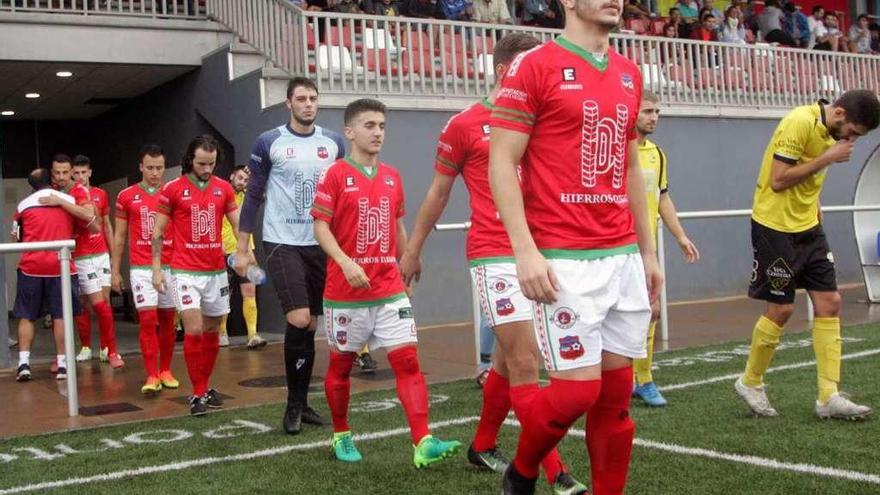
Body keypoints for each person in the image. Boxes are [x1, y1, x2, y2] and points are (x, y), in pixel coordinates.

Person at [400, 33, 590, 494]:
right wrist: (413, 249)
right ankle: (554, 473)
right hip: (495, 256)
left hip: (543, 252)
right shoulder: (465, 124)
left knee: (509, 362)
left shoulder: (545, 118)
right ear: (507, 69)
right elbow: (438, 192)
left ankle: (483, 444)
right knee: (528, 363)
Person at [489, 0, 661, 490]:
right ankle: (521, 472)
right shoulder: (534, 65)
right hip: (563, 258)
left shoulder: (629, 73)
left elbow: (629, 167)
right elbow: (502, 161)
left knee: (616, 399)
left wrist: (647, 254)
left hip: (623, 255)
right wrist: (524, 250)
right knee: (574, 393)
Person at [312, 98, 462, 466]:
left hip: (388, 288)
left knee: (408, 361)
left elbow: (396, 223)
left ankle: (422, 440)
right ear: (349, 131)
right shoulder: (334, 174)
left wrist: (410, 256)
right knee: (340, 367)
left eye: (382, 125)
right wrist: (344, 262)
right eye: (369, 125)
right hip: (346, 294)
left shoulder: (392, 176)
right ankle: (341, 434)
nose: (378, 132)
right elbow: (320, 226)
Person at [735, 90, 880, 421]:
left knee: (830, 303)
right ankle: (750, 381)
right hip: (774, 227)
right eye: (854, 132)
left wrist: (815, 208)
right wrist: (828, 157)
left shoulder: (829, 132)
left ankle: (828, 396)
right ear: (839, 113)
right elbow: (778, 180)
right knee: (782, 309)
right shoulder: (799, 122)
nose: (852, 141)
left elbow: (809, 180)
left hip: (809, 227)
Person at [236, 77, 344, 434]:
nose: (308, 104)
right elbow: (253, 196)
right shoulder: (269, 142)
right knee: (299, 318)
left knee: (311, 324)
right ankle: (293, 407)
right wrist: (242, 248)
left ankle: (301, 401)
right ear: (288, 103)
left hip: (320, 242)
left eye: (313, 98)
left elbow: (341, 195)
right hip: (282, 241)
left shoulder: (333, 143)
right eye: (301, 99)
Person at [152, 134, 242, 416]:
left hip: (215, 270)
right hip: (184, 271)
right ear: (190, 159)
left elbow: (238, 225)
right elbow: (157, 232)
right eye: (202, 163)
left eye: (211, 164)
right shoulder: (173, 189)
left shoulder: (224, 188)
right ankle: (198, 393)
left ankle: (204, 386)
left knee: (213, 330)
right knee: (193, 330)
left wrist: (244, 253)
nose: (206, 169)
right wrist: (156, 268)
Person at [631, 91, 700, 408]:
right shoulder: (619, 152)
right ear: (632, 112)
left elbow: (662, 197)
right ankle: (619, 380)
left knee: (652, 310)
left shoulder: (657, 153)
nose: (653, 117)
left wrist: (680, 236)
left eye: (657, 111)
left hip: (646, 249)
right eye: (647, 110)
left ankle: (643, 380)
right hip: (615, 246)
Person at [111, 145, 180, 394]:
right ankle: (151, 375)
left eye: (159, 168)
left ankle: (166, 370)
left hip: (170, 265)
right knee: (148, 320)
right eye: (150, 167)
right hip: (141, 266)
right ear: (141, 166)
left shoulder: (173, 192)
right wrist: (115, 270)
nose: (154, 173)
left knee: (168, 320)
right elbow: (119, 236)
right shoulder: (126, 196)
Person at [12, 168, 88, 381]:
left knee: (27, 315)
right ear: (52, 180)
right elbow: (84, 224)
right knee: (60, 315)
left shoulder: (22, 205)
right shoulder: (67, 199)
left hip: (31, 266)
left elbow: (17, 235)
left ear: (31, 185)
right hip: (60, 265)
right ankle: (63, 365)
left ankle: (24, 364)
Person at [54, 156, 124, 370]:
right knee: (85, 302)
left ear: (90, 173)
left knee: (103, 301)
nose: (79, 176)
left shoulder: (100, 194)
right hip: (80, 254)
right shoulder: (64, 193)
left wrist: (114, 260)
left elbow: (106, 226)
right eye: (76, 173)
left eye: (83, 172)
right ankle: (85, 347)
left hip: (100, 253)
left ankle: (108, 348)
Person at [220, 165, 266, 350]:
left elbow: (263, 194)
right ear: (231, 175)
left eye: (245, 180)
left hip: (245, 252)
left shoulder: (247, 196)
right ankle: (221, 333)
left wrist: (254, 178)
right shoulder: (221, 193)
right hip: (224, 252)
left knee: (249, 292)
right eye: (239, 178)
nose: (242, 182)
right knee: (224, 296)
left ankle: (252, 335)